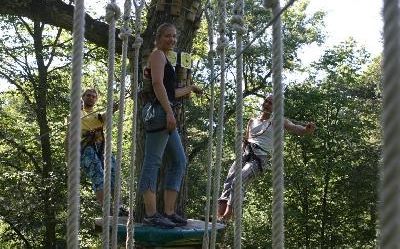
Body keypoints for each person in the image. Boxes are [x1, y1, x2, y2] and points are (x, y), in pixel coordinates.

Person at [138, 23, 202, 229]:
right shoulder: (157, 55)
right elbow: (157, 84)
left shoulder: (165, 57)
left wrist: (190, 87)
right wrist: (168, 112)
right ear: (157, 38)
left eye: (174, 36)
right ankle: (150, 214)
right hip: (159, 113)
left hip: (165, 111)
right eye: (167, 36)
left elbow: (170, 91)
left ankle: (169, 212)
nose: (172, 40)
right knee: (152, 162)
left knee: (179, 161)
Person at [217, 94, 316, 222]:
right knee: (229, 182)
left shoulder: (279, 121)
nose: (266, 104)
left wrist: (307, 129)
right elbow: (246, 139)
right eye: (265, 101)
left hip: (259, 159)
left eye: (270, 103)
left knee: (238, 181)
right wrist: (242, 150)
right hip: (245, 153)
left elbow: (297, 129)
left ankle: (227, 216)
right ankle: (218, 216)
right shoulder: (252, 121)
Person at [64, 88, 127, 216]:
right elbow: (68, 137)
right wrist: (68, 158)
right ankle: (106, 208)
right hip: (85, 148)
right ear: (82, 97)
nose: (90, 98)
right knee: (98, 173)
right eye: (88, 95)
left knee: (114, 173)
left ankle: (118, 207)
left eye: (93, 96)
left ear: (96, 100)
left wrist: (114, 108)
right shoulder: (74, 115)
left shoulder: (98, 115)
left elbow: (106, 115)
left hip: (101, 147)